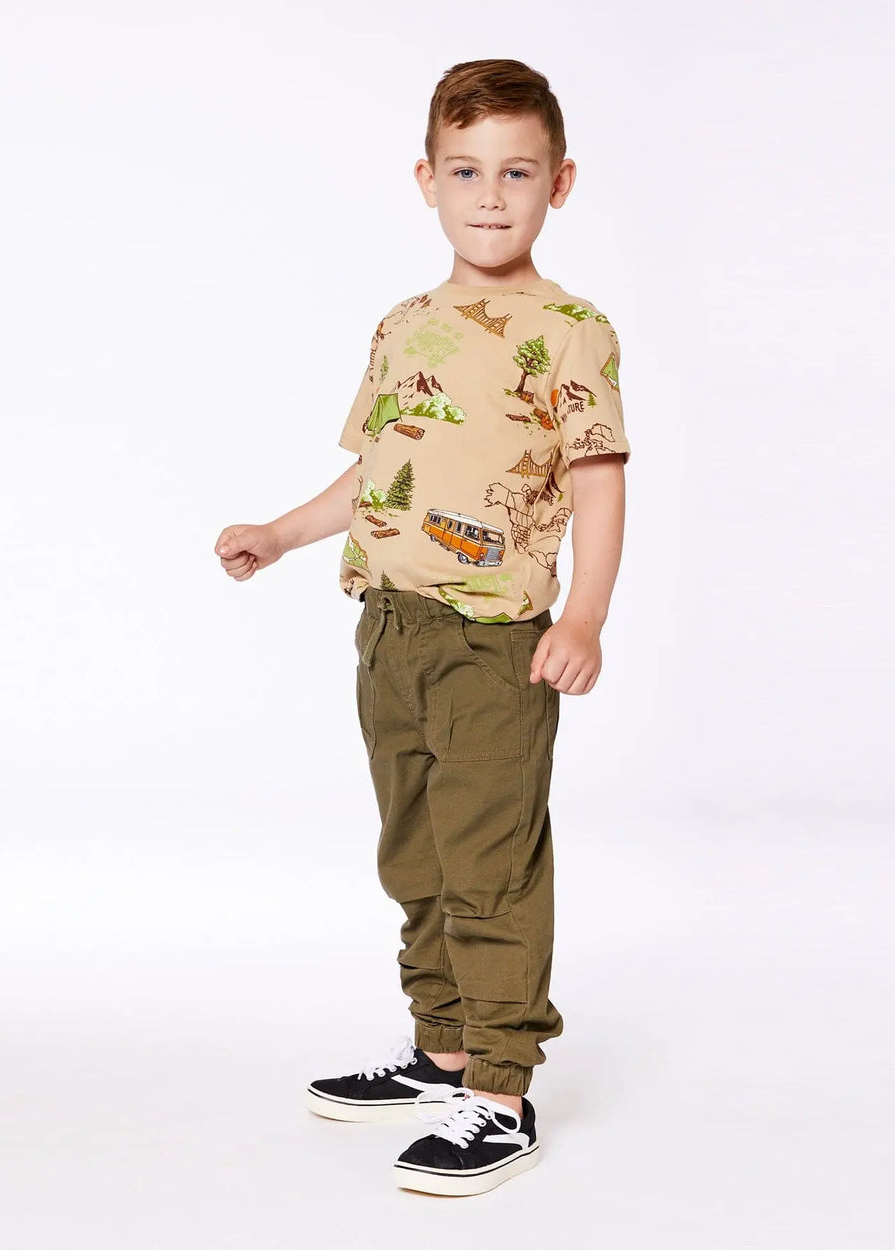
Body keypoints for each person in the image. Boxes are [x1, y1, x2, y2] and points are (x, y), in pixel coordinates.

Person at [213, 58, 631, 1197]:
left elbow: (597, 481)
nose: (490, 195)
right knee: (416, 852)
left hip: (494, 642)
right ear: (427, 179)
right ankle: (438, 1050)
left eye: (517, 172)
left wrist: (585, 614)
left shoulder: (571, 330)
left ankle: (499, 1089)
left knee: (491, 861)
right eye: (466, 171)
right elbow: (378, 472)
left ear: (559, 183)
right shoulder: (405, 324)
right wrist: (283, 532)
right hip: (390, 630)